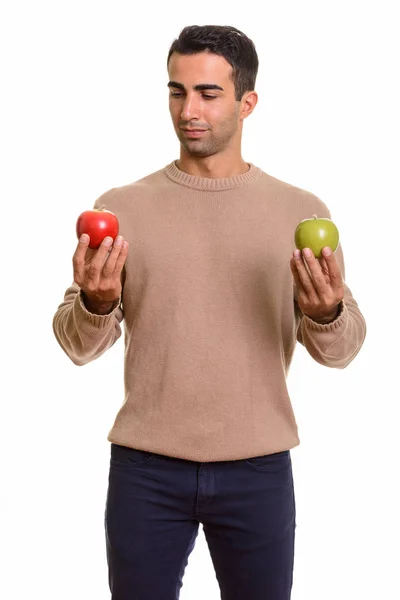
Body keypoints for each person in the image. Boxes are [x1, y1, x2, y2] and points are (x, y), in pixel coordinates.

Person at [52, 24, 367, 600]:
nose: (188, 110)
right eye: (177, 91)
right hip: (145, 468)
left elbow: (342, 350)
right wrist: (97, 304)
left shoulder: (300, 212)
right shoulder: (120, 208)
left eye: (208, 93)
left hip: (259, 467)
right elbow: (76, 344)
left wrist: (326, 312)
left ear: (248, 102)